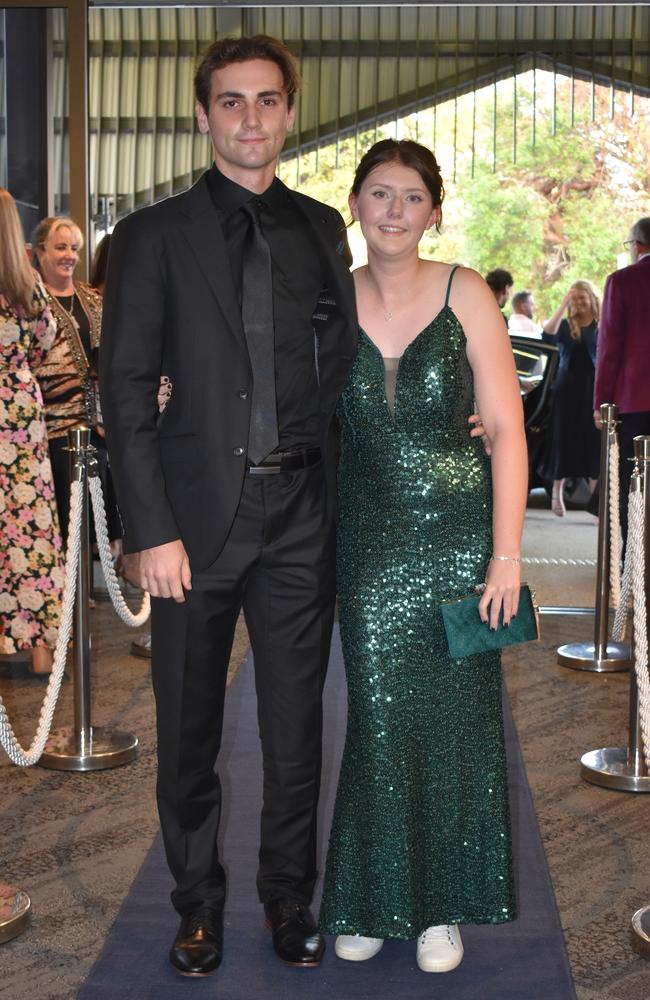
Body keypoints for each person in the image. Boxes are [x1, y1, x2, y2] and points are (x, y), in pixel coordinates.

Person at [99, 35, 358, 977]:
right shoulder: (150, 236)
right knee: (190, 733)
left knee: (297, 728)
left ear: (290, 110)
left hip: (301, 514)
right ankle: (195, 906)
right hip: (192, 526)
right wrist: (149, 529)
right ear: (204, 114)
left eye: (267, 100)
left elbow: (342, 367)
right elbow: (123, 389)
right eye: (231, 101)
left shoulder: (325, 228)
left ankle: (290, 899)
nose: (250, 118)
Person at [319, 140, 528, 974]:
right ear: (358, 205)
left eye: (412, 197)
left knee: (459, 720)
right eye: (379, 193)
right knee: (376, 719)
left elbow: (507, 430)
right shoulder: (331, 298)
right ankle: (370, 896)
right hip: (367, 541)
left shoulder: (464, 290)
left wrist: (506, 555)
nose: (395, 210)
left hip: (464, 539)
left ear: (434, 210)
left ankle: (443, 907)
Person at [0, 189, 64, 676]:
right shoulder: (30, 289)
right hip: (21, 417)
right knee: (33, 527)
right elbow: (45, 344)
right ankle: (40, 647)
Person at [31, 217, 122, 547]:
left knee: (95, 512)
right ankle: (70, 593)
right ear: (39, 251)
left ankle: (86, 588)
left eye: (74, 248)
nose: (69, 255)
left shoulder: (91, 297)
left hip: (94, 425)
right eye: (60, 247)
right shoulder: (29, 300)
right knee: (61, 517)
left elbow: (110, 352)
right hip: (49, 424)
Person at [594, 217, 650, 544]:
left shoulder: (622, 282)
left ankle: (632, 563)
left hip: (634, 402)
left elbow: (609, 348)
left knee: (633, 487)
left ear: (638, 246)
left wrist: (601, 402)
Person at [540, 281, 601, 516]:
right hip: (567, 392)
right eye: (574, 299)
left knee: (592, 444)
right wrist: (563, 302)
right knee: (563, 441)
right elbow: (547, 335)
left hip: (593, 391)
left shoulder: (600, 325)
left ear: (592, 299)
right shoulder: (566, 325)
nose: (578, 303)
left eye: (582, 298)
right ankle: (556, 493)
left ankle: (597, 505)